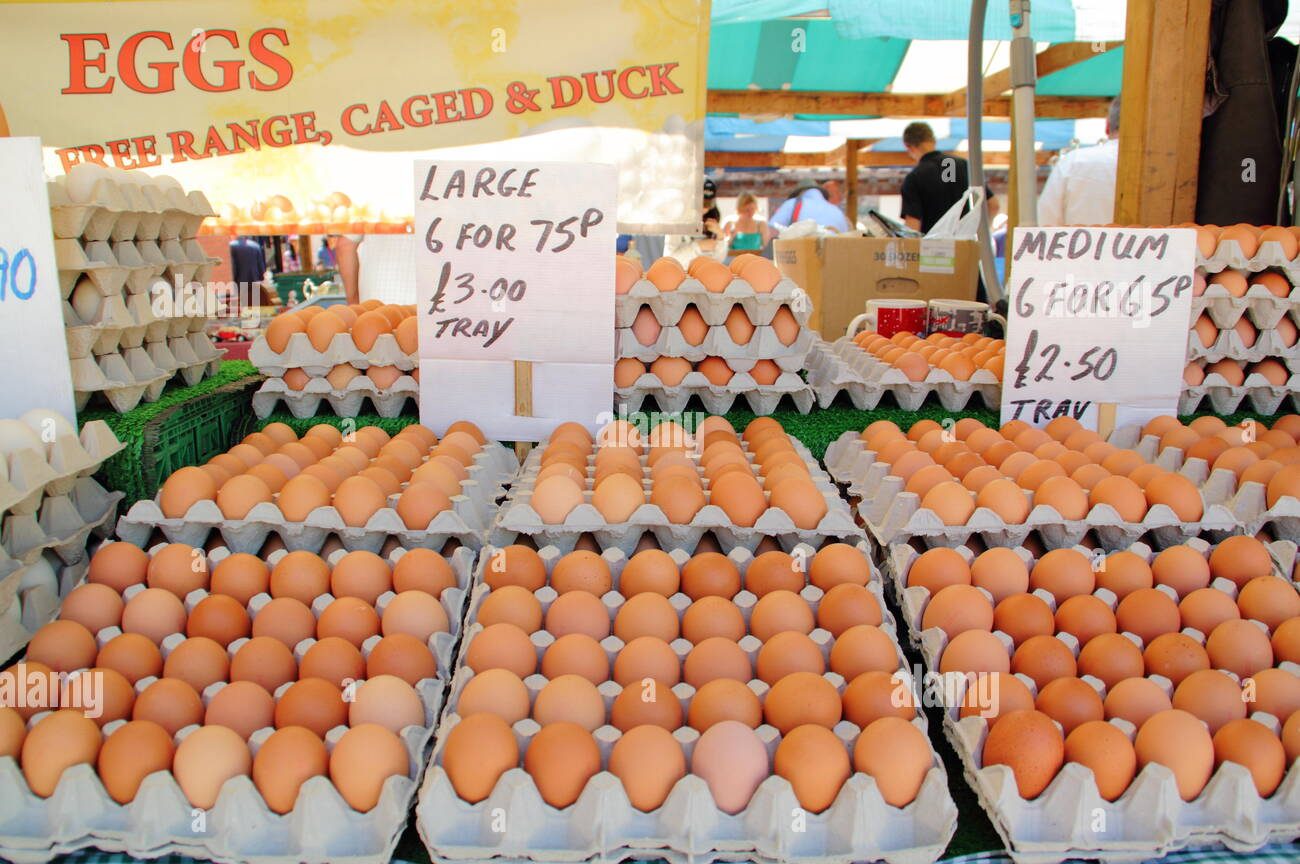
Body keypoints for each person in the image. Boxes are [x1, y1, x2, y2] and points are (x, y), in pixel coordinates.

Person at [900, 122, 996, 233]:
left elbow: (912, 226)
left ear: (908, 147)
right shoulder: (964, 166)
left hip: (932, 247)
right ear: (933, 140)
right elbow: (993, 205)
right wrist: (978, 233)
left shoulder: (914, 178)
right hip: (965, 245)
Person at [1038, 97, 1121, 226]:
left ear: (1107, 126)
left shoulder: (1073, 162)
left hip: (1079, 245)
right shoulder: (1161, 167)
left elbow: (1045, 225)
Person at [332, 234, 418, 305]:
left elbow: (345, 245)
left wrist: (354, 303)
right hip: (427, 305)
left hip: (377, 301)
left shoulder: (369, 213)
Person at [769, 184, 850, 233]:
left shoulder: (793, 203)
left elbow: (772, 230)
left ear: (800, 193)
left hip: (802, 256)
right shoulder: (837, 211)